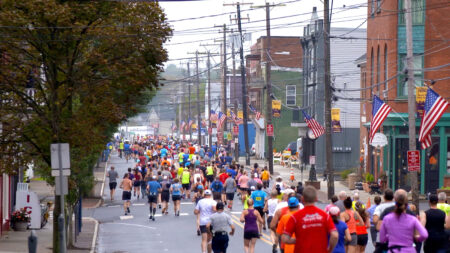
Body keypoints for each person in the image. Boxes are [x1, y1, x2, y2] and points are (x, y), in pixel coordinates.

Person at [282, 186, 338, 253]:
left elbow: (285, 238)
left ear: (302, 199)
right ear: (316, 199)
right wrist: (330, 249)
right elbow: (335, 235)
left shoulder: (295, 217)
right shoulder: (325, 216)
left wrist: (298, 240)